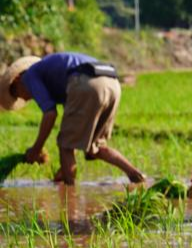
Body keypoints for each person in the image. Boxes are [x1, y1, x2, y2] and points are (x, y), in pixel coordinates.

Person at [0, 53, 145, 185]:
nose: (20, 98)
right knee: (96, 148)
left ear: (17, 78)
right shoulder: (52, 76)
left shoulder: (29, 76)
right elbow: (74, 129)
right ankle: (136, 175)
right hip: (112, 83)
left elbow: (50, 114)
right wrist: (64, 168)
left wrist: (36, 149)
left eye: (14, 91)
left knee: (65, 146)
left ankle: (70, 200)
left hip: (87, 83)